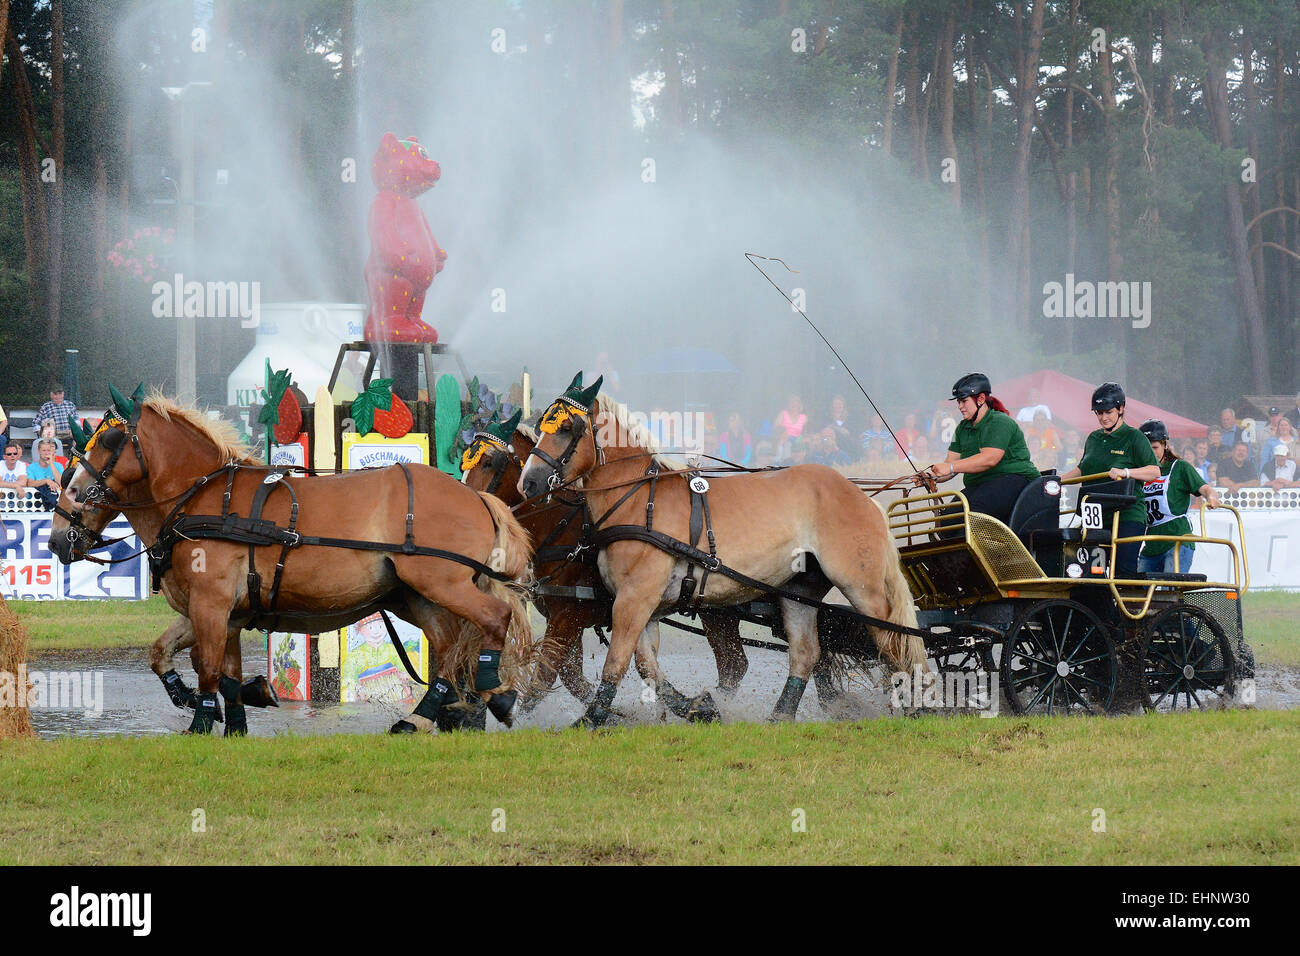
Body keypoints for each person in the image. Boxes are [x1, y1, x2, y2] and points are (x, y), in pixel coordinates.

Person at [1059, 383, 1160, 577]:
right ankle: (1101, 607)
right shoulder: (1093, 438)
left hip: (1127, 515)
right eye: (1099, 413)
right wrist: (1056, 481)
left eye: (1108, 412)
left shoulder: (1134, 437)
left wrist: (1127, 472)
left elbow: (1154, 471)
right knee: (1088, 570)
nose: (1103, 418)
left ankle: (1127, 606)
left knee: (1122, 571)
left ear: (1121, 409)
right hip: (1095, 514)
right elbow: (1082, 469)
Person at [927, 373, 1041, 525]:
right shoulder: (962, 428)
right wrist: (930, 477)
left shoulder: (1000, 422)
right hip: (981, 486)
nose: (960, 406)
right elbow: (950, 464)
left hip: (1015, 480)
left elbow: (989, 459)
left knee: (976, 512)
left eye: (964, 401)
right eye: (959, 402)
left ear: (980, 399)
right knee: (947, 521)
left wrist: (951, 467)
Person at [1136, 420, 1219, 574]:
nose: (1150, 452)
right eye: (1146, 448)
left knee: (1170, 590)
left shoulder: (1180, 467)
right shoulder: (1139, 473)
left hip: (1177, 540)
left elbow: (1206, 488)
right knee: (1136, 591)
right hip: (1152, 544)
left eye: (1154, 448)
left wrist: (1212, 498)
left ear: (1165, 445)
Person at [25, 438, 64, 511]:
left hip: (56, 505)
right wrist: (46, 481)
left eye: (49, 450)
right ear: (39, 451)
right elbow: (30, 483)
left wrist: (51, 464)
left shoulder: (59, 466)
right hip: (35, 504)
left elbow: (61, 483)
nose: (46, 453)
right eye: (44, 450)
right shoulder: (31, 467)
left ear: (52, 452)